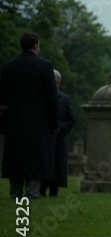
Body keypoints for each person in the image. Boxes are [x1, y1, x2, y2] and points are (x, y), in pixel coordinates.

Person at [0, 32, 59, 199]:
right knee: (35, 157)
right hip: (38, 122)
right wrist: (54, 122)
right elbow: (51, 97)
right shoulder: (45, 66)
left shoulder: (7, 66)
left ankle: (15, 192)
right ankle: (32, 192)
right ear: (36, 46)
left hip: (13, 121)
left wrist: (3, 121)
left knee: (15, 156)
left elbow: (2, 97)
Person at [41, 69, 76, 197]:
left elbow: (71, 119)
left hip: (59, 138)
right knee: (44, 163)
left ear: (59, 82)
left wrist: (61, 128)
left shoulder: (65, 98)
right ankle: (41, 189)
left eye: (57, 81)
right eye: (53, 81)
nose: (55, 83)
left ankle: (54, 190)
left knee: (57, 164)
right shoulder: (41, 96)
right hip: (44, 137)